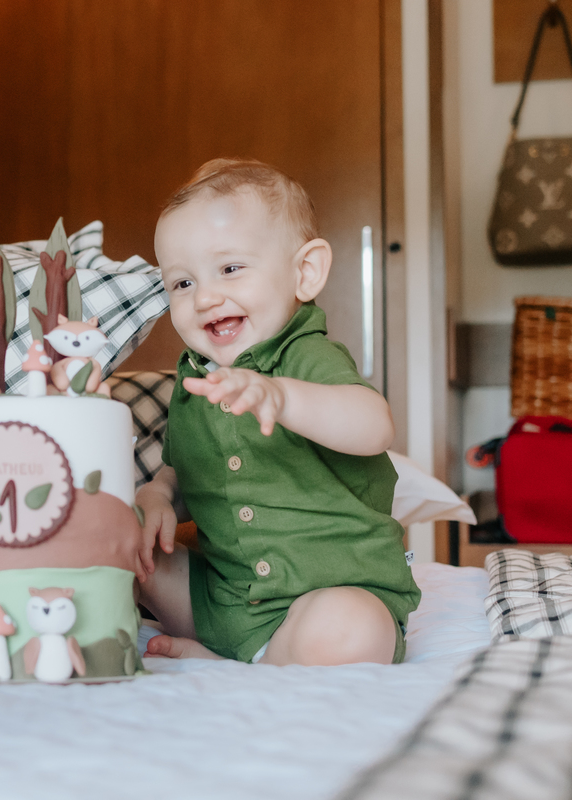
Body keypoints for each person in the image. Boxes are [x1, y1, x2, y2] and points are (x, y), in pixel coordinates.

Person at [134, 158, 420, 667]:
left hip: (331, 595)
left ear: (304, 272)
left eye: (229, 269)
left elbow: (375, 426)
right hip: (228, 605)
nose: (206, 297)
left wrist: (283, 398)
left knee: (351, 628)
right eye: (182, 284)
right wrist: (158, 495)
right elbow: (186, 474)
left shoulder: (307, 356)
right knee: (118, 538)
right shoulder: (194, 381)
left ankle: (239, 670)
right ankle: (241, 654)